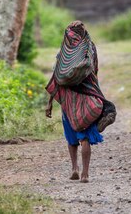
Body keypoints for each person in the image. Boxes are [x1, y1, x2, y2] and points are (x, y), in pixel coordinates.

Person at [45, 21, 109, 184]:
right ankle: (85, 174)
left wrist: (50, 101)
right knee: (84, 136)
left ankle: (74, 168)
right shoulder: (90, 48)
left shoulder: (64, 51)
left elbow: (57, 76)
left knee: (71, 137)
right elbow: (95, 69)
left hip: (68, 100)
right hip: (87, 98)